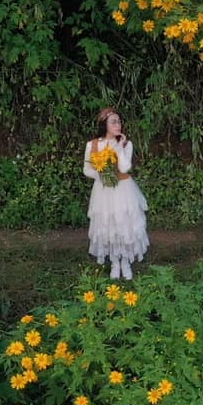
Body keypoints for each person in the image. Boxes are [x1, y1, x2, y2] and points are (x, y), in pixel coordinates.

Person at [83, 107, 149, 280]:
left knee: (124, 224)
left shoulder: (126, 144)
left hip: (124, 189)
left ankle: (126, 261)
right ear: (104, 124)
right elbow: (86, 169)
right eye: (113, 122)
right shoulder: (93, 144)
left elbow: (125, 168)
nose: (118, 124)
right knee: (109, 225)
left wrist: (119, 147)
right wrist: (102, 174)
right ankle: (114, 262)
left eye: (119, 121)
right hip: (103, 191)